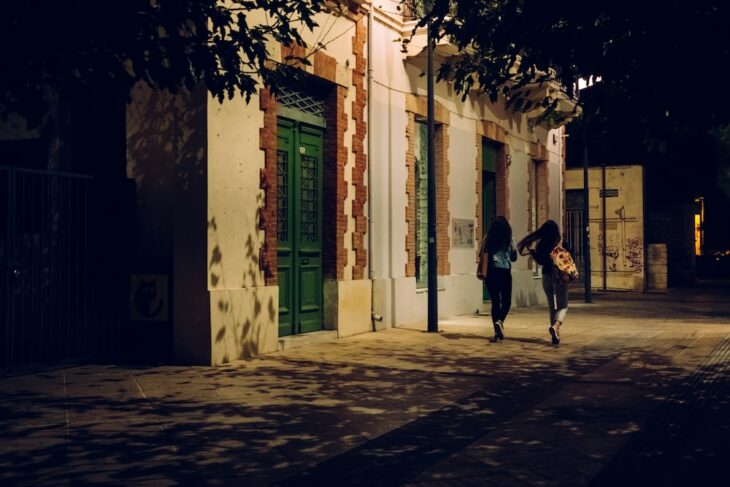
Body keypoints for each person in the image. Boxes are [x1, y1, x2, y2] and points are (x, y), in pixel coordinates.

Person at [517, 220, 567, 346]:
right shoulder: (560, 242)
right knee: (563, 306)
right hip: (559, 276)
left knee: (552, 306)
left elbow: (540, 262)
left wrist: (532, 252)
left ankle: (555, 335)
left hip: (546, 275)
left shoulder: (542, 245)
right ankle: (555, 327)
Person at [483, 216, 518, 342]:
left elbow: (481, 253)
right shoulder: (510, 239)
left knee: (495, 302)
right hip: (504, 271)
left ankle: (497, 331)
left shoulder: (488, 238)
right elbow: (514, 257)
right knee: (506, 301)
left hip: (491, 271)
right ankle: (500, 321)